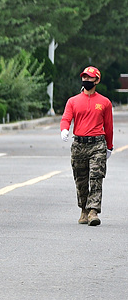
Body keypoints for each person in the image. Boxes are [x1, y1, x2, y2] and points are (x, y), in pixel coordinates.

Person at [61, 66, 114, 226]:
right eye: (84, 77)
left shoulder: (104, 102)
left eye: (90, 78)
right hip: (79, 145)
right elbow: (66, 118)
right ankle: (83, 209)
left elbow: (109, 126)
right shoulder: (73, 101)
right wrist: (64, 129)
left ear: (97, 80)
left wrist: (109, 147)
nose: (86, 80)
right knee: (81, 179)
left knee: (96, 178)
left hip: (97, 144)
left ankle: (93, 211)